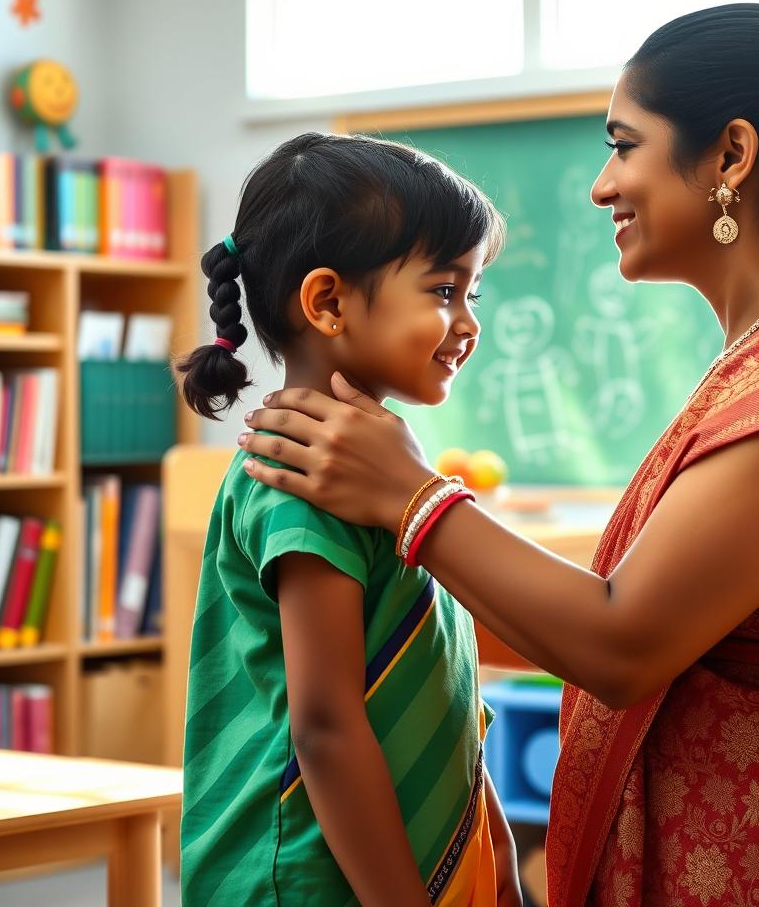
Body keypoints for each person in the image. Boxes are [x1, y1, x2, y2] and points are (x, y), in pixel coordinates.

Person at [237, 6, 759, 905]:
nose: (602, 186)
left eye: (624, 144)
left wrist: (411, 495)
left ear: (730, 156)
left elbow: (622, 640)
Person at [175, 133, 522, 906]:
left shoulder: (381, 465)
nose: (467, 321)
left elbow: (443, 680)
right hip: (306, 882)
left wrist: (490, 849)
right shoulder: (304, 476)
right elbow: (325, 728)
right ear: (328, 302)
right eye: (442, 291)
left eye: (473, 294)